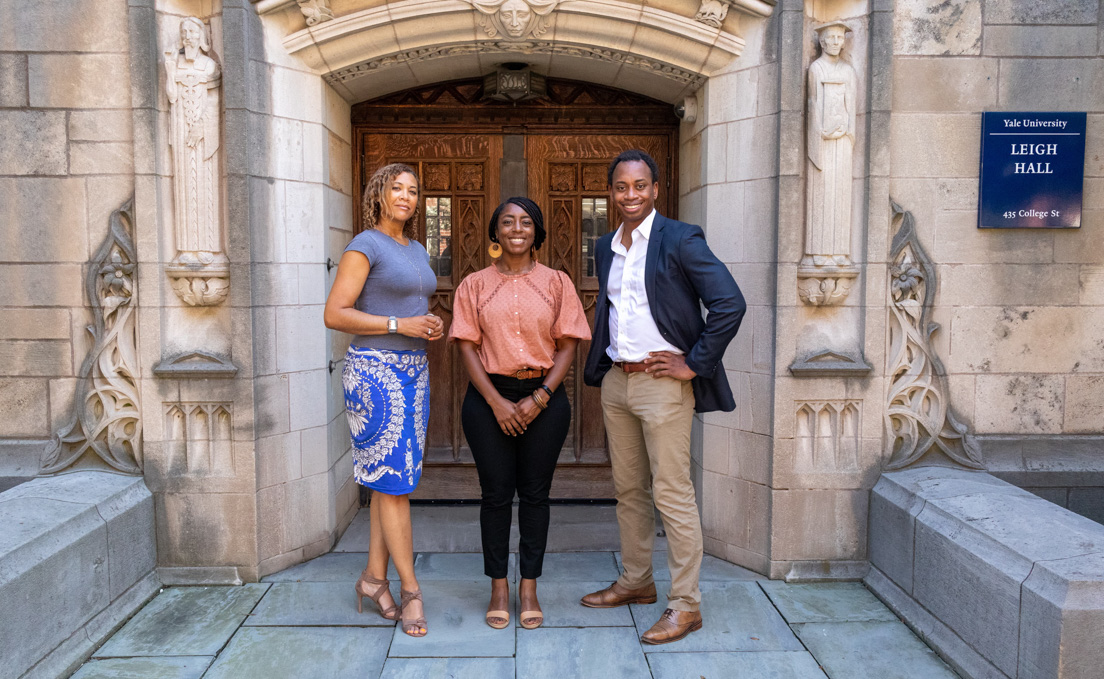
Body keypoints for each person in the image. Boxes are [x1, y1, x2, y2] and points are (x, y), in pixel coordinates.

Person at [580, 150, 745, 644]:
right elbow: (613, 309)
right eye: (621, 187)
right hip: (618, 382)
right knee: (629, 489)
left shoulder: (680, 238)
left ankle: (686, 605)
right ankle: (636, 582)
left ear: (655, 190)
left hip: (664, 385)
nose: (630, 195)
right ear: (611, 192)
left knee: (672, 493)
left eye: (640, 186)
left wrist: (692, 363)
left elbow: (729, 302)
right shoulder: (607, 245)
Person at [449, 197, 591, 630]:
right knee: (494, 495)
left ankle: (528, 585)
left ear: (537, 232)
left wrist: (541, 397)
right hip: (488, 397)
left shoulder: (557, 283)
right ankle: (497, 585)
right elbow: (465, 345)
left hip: (544, 396)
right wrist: (496, 401)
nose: (516, 228)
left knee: (534, 495)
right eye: (507, 221)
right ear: (495, 232)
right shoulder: (473, 285)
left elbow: (569, 343)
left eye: (526, 222)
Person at [323, 163, 444, 638]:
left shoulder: (414, 248)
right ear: (379, 193)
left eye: (413, 190)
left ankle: (374, 580)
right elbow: (336, 313)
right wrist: (400, 326)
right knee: (394, 485)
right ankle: (411, 590)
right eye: (397, 188)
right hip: (375, 376)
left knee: (388, 481)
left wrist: (426, 322)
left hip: (414, 372)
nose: (406, 197)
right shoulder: (364, 245)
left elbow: (407, 307)